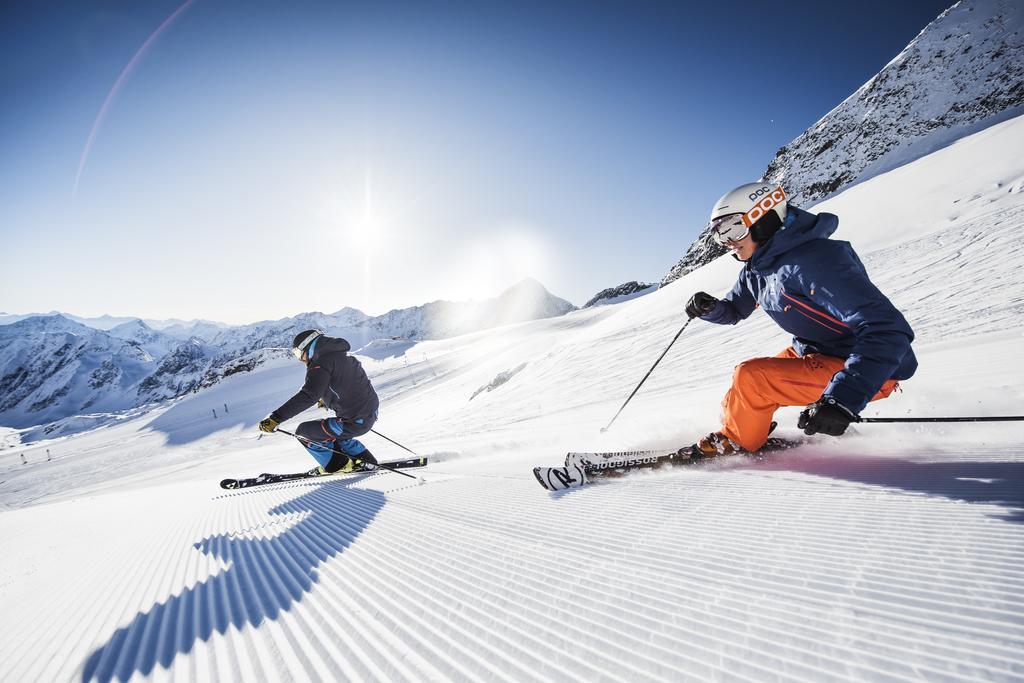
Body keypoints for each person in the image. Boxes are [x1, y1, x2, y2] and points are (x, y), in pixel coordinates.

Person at [683, 182, 917, 456]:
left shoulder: (815, 261)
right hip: (816, 352)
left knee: (753, 379)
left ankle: (738, 442)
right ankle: (740, 430)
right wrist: (710, 309)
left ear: (764, 218)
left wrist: (843, 398)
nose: (727, 242)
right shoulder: (757, 268)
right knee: (743, 384)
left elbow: (887, 329)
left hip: (870, 370)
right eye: (719, 235)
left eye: (733, 228)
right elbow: (735, 309)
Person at [258, 329, 380, 474]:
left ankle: (337, 464)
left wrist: (276, 418)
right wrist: (327, 398)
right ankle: (366, 460)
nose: (300, 359)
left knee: (304, 432)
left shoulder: (320, 364)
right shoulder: (343, 357)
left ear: (308, 346)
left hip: (354, 421)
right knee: (338, 435)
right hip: (368, 415)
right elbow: (348, 384)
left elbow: (308, 395)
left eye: (298, 353)